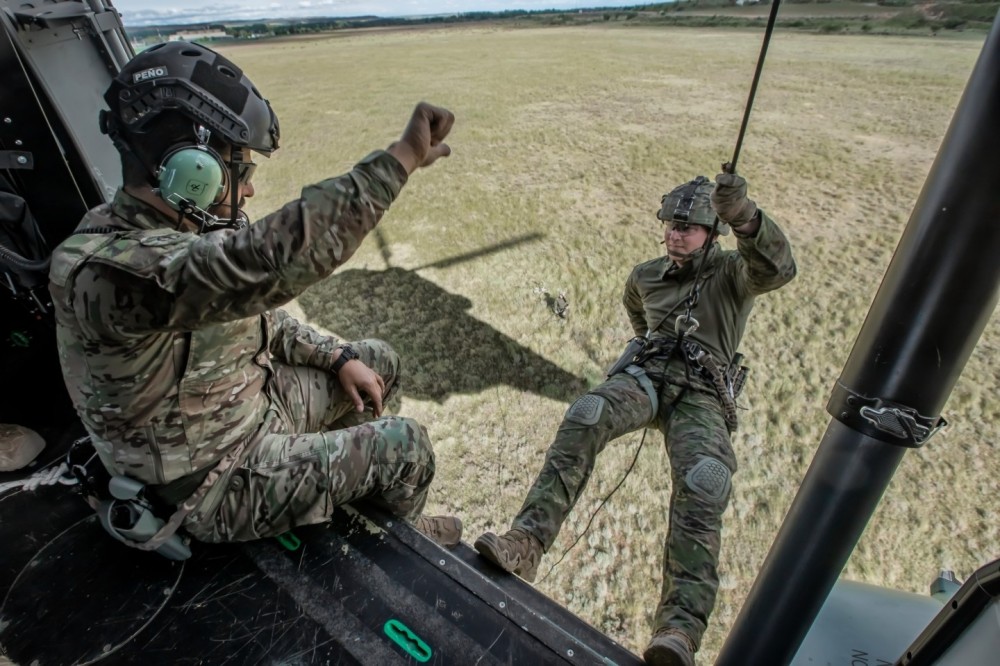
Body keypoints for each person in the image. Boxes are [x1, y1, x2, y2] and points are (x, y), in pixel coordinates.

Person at [47, 41, 462, 549]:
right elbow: (266, 263)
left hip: (253, 411)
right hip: (213, 480)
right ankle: (406, 540)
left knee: (376, 363)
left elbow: (261, 315)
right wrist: (402, 158)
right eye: (237, 170)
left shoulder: (175, 237)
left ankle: (346, 488)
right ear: (193, 169)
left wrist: (338, 357)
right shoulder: (112, 272)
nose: (246, 191)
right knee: (407, 446)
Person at [475, 172, 797, 665]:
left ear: (712, 232)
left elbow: (777, 270)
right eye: (670, 224)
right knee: (588, 414)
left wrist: (746, 217)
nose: (675, 233)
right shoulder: (645, 276)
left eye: (688, 227)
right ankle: (527, 542)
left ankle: (678, 629)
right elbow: (639, 319)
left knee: (705, 480)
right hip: (647, 377)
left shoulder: (734, 273)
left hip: (701, 395)